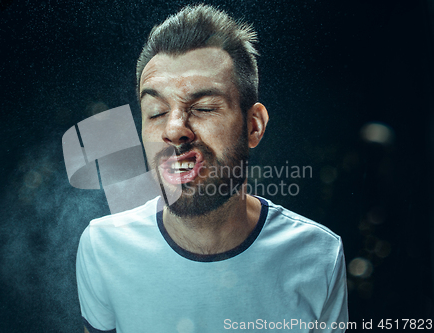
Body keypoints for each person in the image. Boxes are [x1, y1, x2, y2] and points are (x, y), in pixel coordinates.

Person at [76, 4, 348, 333]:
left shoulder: (319, 256)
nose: (174, 129)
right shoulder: (102, 248)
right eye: (156, 111)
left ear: (254, 126)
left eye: (204, 107)